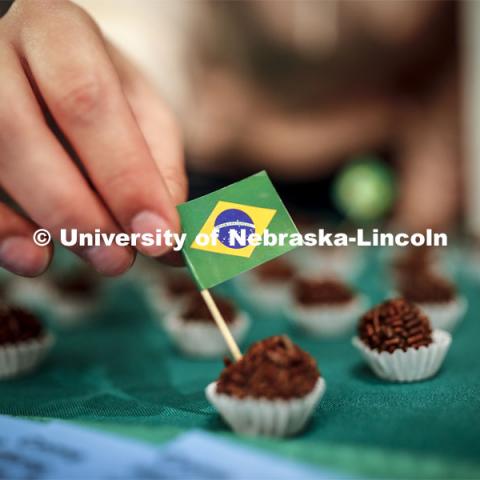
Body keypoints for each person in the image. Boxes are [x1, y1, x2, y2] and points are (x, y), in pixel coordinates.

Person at [0, 0, 461, 278]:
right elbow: (149, 22)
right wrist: (98, 68)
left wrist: (425, 217)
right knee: (183, 266)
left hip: (367, 173)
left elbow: (458, 65)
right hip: (214, 168)